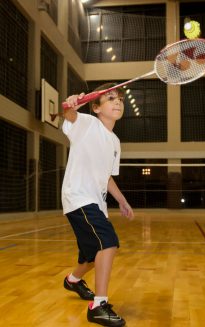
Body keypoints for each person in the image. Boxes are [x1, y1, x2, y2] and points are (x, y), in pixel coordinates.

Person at [61, 83, 134, 327]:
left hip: (96, 202)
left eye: (120, 99)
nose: (117, 102)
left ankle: (72, 280)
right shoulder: (87, 124)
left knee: (92, 257)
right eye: (110, 98)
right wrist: (73, 103)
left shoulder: (115, 141)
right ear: (95, 107)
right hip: (78, 196)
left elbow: (107, 177)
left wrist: (122, 200)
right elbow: (69, 114)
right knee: (108, 241)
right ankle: (98, 306)